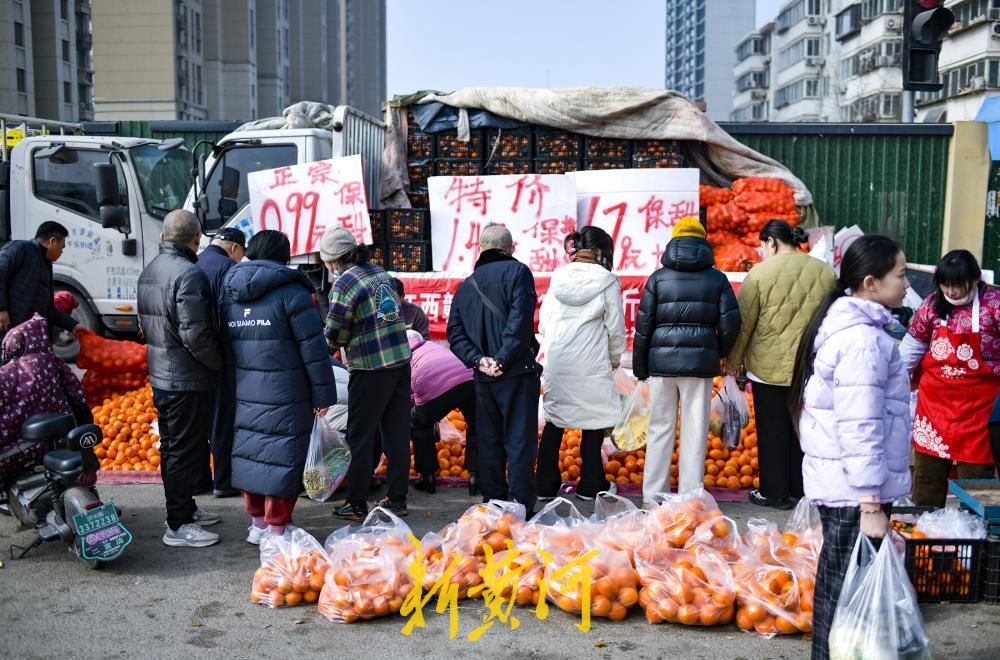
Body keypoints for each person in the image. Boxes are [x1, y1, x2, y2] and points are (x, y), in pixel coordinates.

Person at [789, 235, 912, 660]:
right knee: (845, 593)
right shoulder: (862, 340)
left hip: (844, 484)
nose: (907, 283)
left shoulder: (856, 328)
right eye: (900, 274)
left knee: (839, 587)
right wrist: (871, 504)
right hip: (853, 489)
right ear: (870, 283)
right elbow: (860, 425)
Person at [220, 230, 336, 543]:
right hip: (288, 390)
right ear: (284, 257)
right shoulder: (292, 292)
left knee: (251, 451)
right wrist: (324, 394)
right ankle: (276, 527)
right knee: (283, 454)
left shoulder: (229, 290)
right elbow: (313, 348)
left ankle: (257, 523)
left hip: (244, 388)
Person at [726, 220, 836, 510]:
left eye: (762, 245)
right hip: (810, 368)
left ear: (772, 243)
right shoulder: (824, 271)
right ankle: (803, 491)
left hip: (768, 368)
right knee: (804, 429)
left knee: (772, 431)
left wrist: (734, 362)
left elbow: (744, 324)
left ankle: (774, 493)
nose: (762, 251)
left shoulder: (760, 274)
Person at [633, 216, 741, 500]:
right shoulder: (717, 278)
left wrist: (640, 366)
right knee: (695, 431)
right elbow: (731, 322)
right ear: (703, 242)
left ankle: (653, 495)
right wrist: (716, 351)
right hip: (699, 366)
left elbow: (643, 325)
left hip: (661, 365)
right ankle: (690, 498)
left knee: (659, 428)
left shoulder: (658, 278)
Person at [137, 210, 223, 548]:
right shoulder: (190, 274)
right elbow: (196, 335)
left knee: (176, 447)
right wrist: (218, 365)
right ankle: (178, 524)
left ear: (163, 237)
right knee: (181, 450)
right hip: (186, 378)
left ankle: (184, 509)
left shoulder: (149, 271)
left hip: (162, 374)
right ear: (197, 240)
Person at [448, 223, 542, 517]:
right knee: (519, 441)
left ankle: (493, 501)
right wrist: (502, 359)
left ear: (480, 249)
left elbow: (456, 333)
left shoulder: (466, 286)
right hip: (515, 372)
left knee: (488, 439)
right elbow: (520, 322)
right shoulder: (519, 273)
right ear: (511, 248)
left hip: (483, 377)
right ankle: (519, 506)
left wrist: (479, 361)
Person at [321, 227, 412, 522]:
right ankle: (397, 499)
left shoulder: (344, 283)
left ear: (333, 260)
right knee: (396, 433)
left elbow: (335, 333)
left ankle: (357, 502)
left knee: (360, 436)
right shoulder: (380, 273)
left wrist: (326, 344)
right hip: (399, 362)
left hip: (371, 366)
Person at [900, 250, 1000, 505]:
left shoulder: (995, 305)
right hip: (934, 406)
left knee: (976, 481)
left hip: (980, 409)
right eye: (946, 285)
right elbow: (912, 347)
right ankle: (924, 529)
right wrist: (896, 380)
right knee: (926, 478)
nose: (952, 291)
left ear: (976, 279)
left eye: (958, 285)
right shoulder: (932, 305)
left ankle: (975, 535)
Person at [537, 226, 626, 501]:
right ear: (600, 252)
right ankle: (591, 485)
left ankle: (544, 485)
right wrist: (613, 359)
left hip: (559, 361)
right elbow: (615, 328)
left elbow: (544, 322)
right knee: (593, 422)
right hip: (591, 362)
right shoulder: (607, 281)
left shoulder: (557, 278)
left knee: (555, 420)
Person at [0, 315, 97, 491]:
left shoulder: (7, 373)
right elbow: (78, 397)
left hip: (24, 447)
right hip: (62, 438)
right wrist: (85, 423)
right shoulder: (54, 361)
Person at [196, 227, 247, 499]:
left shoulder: (194, 262)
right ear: (235, 248)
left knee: (199, 421)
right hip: (221, 355)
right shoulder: (228, 268)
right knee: (222, 419)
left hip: (192, 357)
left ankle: (200, 479)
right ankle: (224, 481)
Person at [407, 329, 478, 496]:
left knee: (420, 424)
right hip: (468, 378)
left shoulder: (402, 353)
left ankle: (427, 476)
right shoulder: (432, 346)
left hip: (431, 384)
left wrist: (429, 418)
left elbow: (410, 395)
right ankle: (477, 476)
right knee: (476, 424)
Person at [0, 221, 85, 345]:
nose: (62, 252)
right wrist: (1, 309)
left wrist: (74, 325)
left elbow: (49, 309)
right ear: (52, 241)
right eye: (62, 247)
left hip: (30, 336)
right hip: (10, 332)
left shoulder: (46, 265)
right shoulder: (21, 248)